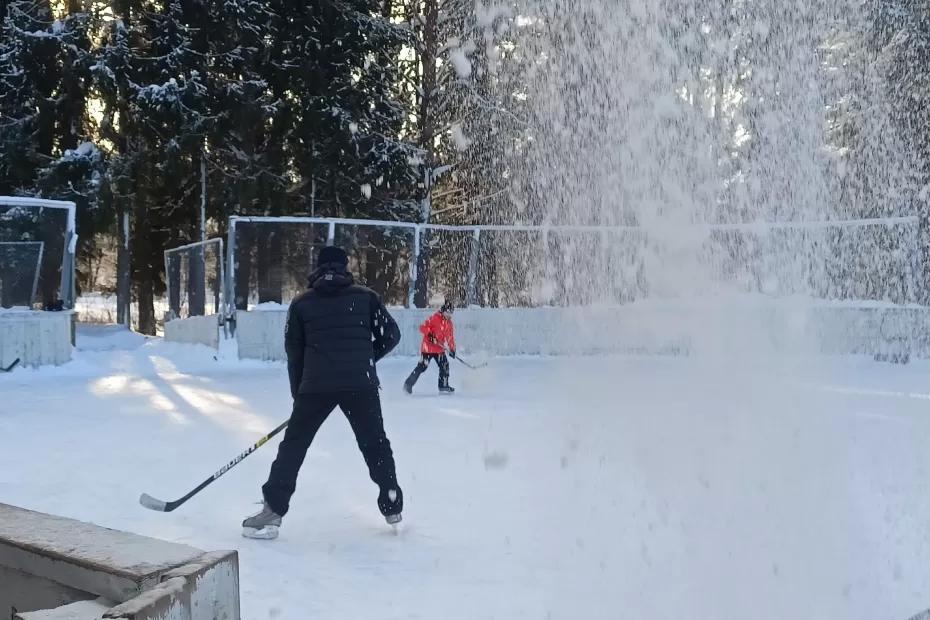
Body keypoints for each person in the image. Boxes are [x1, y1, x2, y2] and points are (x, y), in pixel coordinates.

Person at [242, 245, 403, 539]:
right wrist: (363, 359)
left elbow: (295, 353)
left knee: (293, 447)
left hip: (316, 385)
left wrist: (299, 394)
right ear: (345, 267)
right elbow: (392, 335)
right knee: (375, 443)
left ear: (319, 267)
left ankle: (273, 511)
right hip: (360, 383)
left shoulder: (303, 303)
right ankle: (391, 501)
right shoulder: (366, 298)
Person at [404, 300, 456, 395]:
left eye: (451, 313)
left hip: (439, 349)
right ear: (443, 311)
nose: (449, 315)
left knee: (444, 365)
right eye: (448, 312)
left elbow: (450, 338)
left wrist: (452, 349)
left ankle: (443, 385)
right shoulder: (435, 318)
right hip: (427, 348)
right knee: (422, 367)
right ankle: (408, 384)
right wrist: (430, 335)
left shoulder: (449, 324)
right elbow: (422, 327)